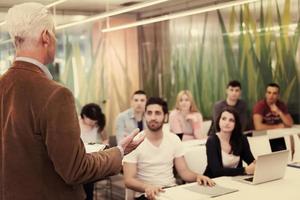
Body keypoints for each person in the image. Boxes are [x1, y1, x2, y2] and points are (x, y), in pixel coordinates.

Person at [0, 3, 144, 200]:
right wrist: (118, 152)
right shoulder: (55, 95)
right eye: (55, 34)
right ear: (46, 37)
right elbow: (75, 169)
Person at [123, 97, 215, 200]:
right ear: (145, 115)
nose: (153, 117)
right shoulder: (134, 142)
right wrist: (147, 187)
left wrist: (198, 176)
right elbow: (128, 180)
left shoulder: (174, 139)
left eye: (157, 113)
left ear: (165, 117)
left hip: (171, 191)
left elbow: (184, 171)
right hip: (145, 194)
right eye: (149, 113)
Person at [204, 107, 256, 178]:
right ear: (218, 121)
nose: (227, 123)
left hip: (235, 180)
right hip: (213, 181)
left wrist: (257, 164)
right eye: (223, 119)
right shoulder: (212, 140)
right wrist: (244, 170)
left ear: (236, 124)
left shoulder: (241, 139)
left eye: (231, 120)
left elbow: (250, 161)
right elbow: (216, 171)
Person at [253, 83, 294, 152]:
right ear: (265, 94)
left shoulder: (281, 105)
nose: (271, 96)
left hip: (278, 136)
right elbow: (258, 127)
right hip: (262, 137)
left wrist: (279, 112)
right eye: (269, 93)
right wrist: (278, 126)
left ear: (278, 95)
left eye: (274, 93)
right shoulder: (260, 106)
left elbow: (290, 123)